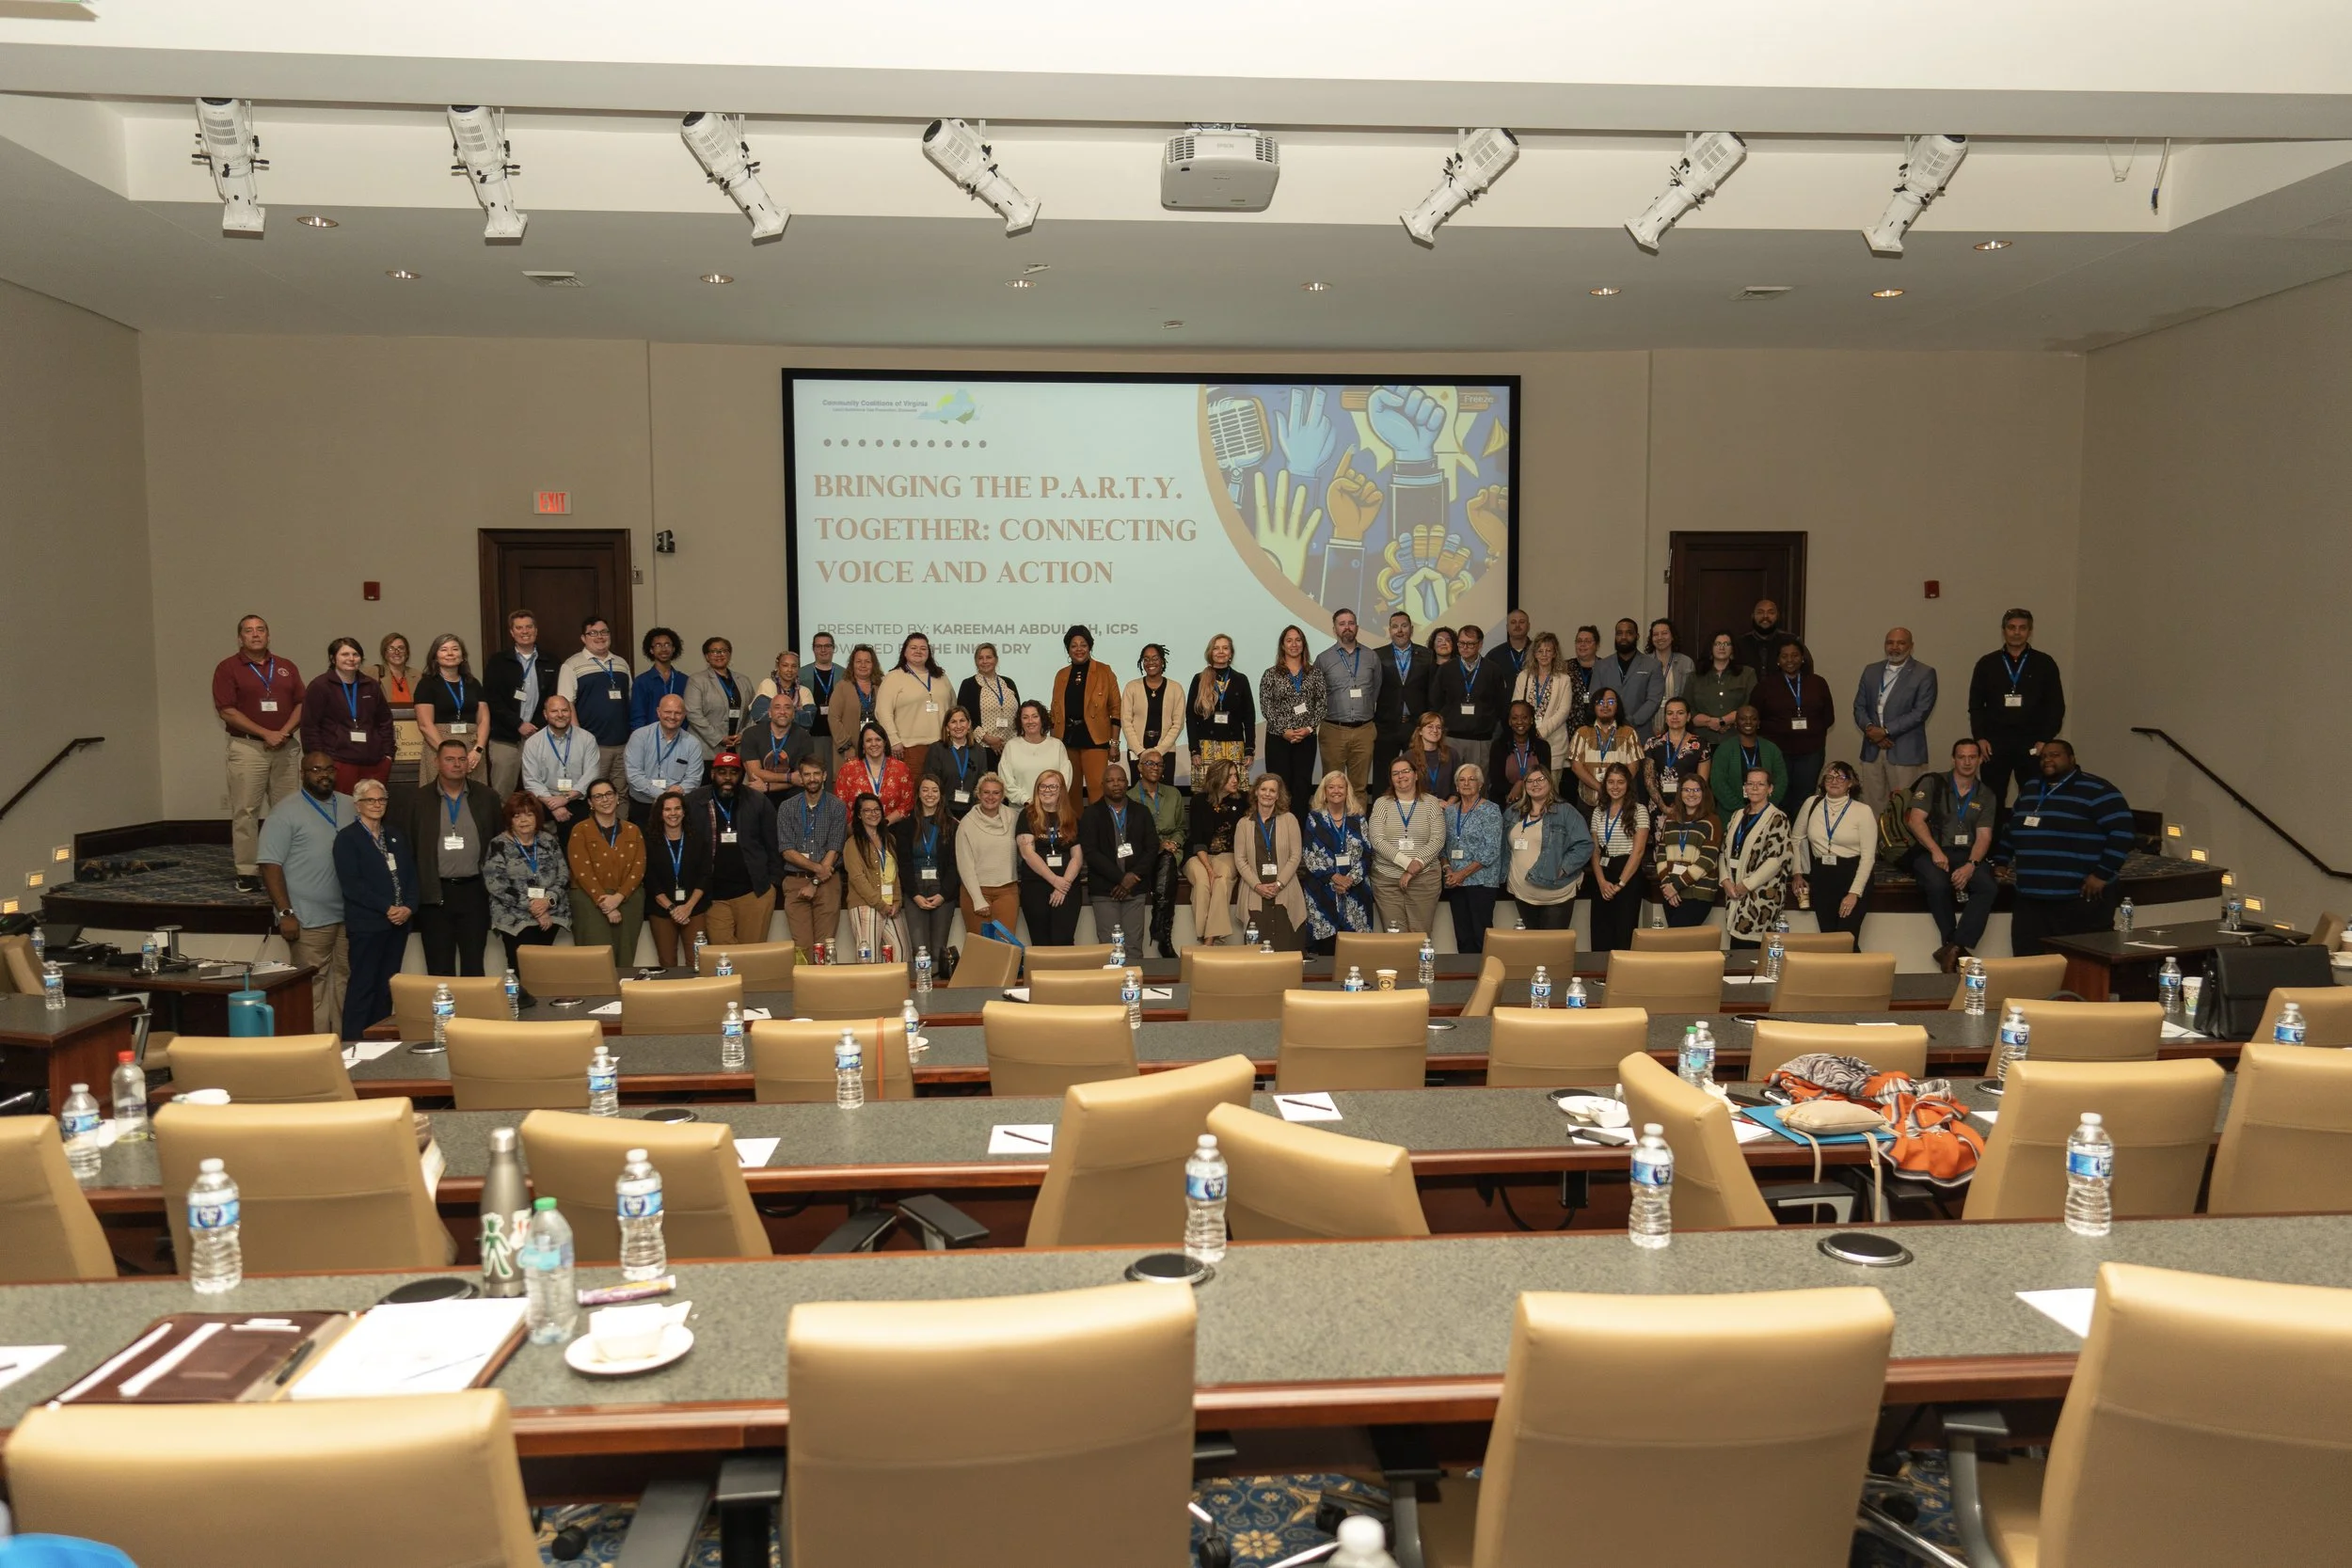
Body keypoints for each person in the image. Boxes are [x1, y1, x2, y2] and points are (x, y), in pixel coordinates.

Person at [2000, 739, 2133, 957]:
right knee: (2029, 967)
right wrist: (2001, 860)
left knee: (2082, 967)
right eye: (2044, 757)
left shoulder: (2099, 790)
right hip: (2031, 899)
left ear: (2072, 759)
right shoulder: (2031, 788)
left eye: (2055, 755)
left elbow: (2123, 833)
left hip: (2079, 898)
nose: (2048, 760)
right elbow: (2011, 827)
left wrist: (2102, 874)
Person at [257, 752, 355, 1030]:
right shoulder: (284, 812)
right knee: (313, 986)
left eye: (328, 769)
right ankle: (316, 1051)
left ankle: (346, 1047)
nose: (323, 775)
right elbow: (269, 866)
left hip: (349, 916)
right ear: (303, 774)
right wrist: (285, 912)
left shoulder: (351, 805)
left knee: (346, 981)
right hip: (307, 918)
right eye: (315, 770)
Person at [214, 613, 305, 892]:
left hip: (285, 748)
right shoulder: (228, 668)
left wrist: (284, 732)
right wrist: (266, 733)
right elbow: (227, 711)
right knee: (246, 811)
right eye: (249, 631)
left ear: (268, 635)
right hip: (248, 748)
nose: (255, 635)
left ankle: (287, 865)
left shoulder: (286, 666)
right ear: (240, 637)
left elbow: (302, 703)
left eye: (261, 630)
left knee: (288, 811)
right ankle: (248, 871)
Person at [403, 737, 501, 975]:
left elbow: (499, 844)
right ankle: (444, 1014)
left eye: (462, 759)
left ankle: (472, 1014)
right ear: (437, 762)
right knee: (439, 967)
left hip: (475, 892)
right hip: (435, 895)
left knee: (474, 966)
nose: (457, 764)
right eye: (450, 759)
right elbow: (409, 848)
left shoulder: (487, 797)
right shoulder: (418, 800)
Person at [332, 778, 417, 1040]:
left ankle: (378, 1042)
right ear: (358, 805)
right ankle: (352, 1044)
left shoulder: (395, 835)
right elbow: (352, 885)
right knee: (363, 987)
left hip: (397, 925)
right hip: (368, 925)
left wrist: (409, 908)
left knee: (386, 988)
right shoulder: (347, 839)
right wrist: (387, 907)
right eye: (370, 800)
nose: (377, 804)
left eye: (381, 799)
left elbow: (411, 875)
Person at [1907, 738, 1999, 971]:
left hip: (1967, 853)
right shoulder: (1932, 782)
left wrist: (1971, 865)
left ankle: (1953, 947)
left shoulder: (1986, 794)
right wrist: (1936, 851)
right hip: (1931, 849)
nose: (1967, 762)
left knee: (1987, 886)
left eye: (1972, 757)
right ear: (1953, 759)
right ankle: (1953, 945)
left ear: (1979, 759)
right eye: (1961, 757)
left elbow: (1984, 836)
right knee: (1938, 884)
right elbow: (1915, 820)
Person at [1967, 608, 2066, 807]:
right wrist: (1980, 737)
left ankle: (2030, 837)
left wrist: (2045, 740)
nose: (2017, 632)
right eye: (2012, 627)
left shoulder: (2044, 663)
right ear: (2004, 630)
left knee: (2033, 796)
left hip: (2032, 743)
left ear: (2030, 631)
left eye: (2022, 628)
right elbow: (1975, 705)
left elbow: (2056, 705)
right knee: (1991, 798)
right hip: (1995, 743)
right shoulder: (1987, 663)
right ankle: (1992, 839)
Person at [690, 752, 781, 945]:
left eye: (733, 772)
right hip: (714, 897)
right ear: (713, 774)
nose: (728, 778)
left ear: (741, 776)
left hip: (754, 893)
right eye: (722, 772)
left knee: (752, 957)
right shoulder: (695, 801)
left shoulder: (757, 801)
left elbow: (773, 843)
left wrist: (772, 883)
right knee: (723, 958)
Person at [483, 793, 570, 994]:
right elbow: (496, 883)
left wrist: (548, 901)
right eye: (517, 816)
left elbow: (563, 874)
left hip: (550, 915)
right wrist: (534, 907)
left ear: (537, 818)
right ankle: (521, 1014)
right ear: (510, 820)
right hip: (515, 918)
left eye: (529, 815)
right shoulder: (499, 844)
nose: (523, 820)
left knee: (544, 972)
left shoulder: (548, 840)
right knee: (521, 972)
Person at [1852, 626, 1938, 812]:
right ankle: (1875, 842)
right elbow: (1859, 706)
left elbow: (1920, 712)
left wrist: (1885, 731)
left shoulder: (1924, 673)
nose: (1894, 647)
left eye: (1901, 643)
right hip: (1872, 749)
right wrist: (1870, 730)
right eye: (1890, 642)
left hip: (1904, 751)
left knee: (1904, 807)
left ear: (1911, 646)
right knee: (1871, 807)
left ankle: (1900, 842)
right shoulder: (1871, 671)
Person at [565, 777, 646, 971]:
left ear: (617, 798)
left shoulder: (633, 830)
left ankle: (623, 998)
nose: (605, 800)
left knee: (625, 958)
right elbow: (581, 870)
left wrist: (618, 898)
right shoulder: (580, 830)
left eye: (609, 794)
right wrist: (607, 905)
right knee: (595, 961)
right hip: (589, 900)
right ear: (590, 803)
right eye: (598, 796)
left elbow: (639, 868)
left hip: (628, 898)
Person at [1792, 761, 1876, 941]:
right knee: (1829, 940)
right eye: (1829, 777)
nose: (1834, 781)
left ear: (1851, 783)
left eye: (1841, 777)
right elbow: (1796, 839)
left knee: (1846, 939)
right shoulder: (1811, 804)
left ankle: (1866, 969)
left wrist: (1854, 893)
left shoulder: (1863, 811)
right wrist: (1798, 872)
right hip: (1822, 875)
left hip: (1852, 874)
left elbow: (1868, 857)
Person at [301, 637, 395, 795]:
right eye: (345, 654)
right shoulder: (320, 686)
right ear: (333, 658)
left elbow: (385, 721)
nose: (351, 659)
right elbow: (310, 727)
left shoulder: (371, 685)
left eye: (355, 654)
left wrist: (388, 756)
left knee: (373, 808)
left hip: (374, 762)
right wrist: (321, 764)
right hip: (338, 762)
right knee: (343, 811)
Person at [1080, 759, 1157, 949]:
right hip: (1105, 891)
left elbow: (1152, 848)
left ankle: (1134, 980)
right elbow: (1091, 853)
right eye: (1110, 780)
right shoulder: (1091, 814)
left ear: (1127, 783)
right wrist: (1122, 878)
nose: (1116, 784)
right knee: (1109, 948)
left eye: (1120, 780)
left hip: (1136, 889)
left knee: (1133, 945)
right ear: (1102, 785)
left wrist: (1134, 877)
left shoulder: (1142, 812)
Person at [555, 615, 632, 799]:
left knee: (620, 793)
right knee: (595, 793)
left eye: (604, 632)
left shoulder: (621, 663)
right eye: (593, 633)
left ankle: (619, 827)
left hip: (623, 744)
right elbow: (566, 704)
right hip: (594, 744)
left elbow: (630, 698)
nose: (600, 637)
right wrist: (579, 740)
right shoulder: (571, 665)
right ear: (583, 638)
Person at [1506, 767, 1591, 932]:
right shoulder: (1513, 812)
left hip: (1556, 896)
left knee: (1552, 951)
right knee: (1531, 949)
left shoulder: (1566, 811)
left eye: (1540, 780)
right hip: (1522, 893)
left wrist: (1563, 869)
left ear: (1550, 783)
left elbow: (1584, 845)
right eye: (1530, 781)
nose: (1535, 784)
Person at [485, 610, 559, 800]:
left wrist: (535, 726)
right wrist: (518, 724)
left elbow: (553, 698)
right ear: (512, 632)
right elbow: (492, 699)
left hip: (539, 735)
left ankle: (544, 827)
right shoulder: (498, 662)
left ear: (536, 630)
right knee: (502, 791)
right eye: (519, 628)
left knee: (542, 790)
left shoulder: (551, 661)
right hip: (505, 738)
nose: (524, 631)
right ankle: (500, 828)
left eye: (529, 627)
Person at [778, 758, 849, 958]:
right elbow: (786, 850)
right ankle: (804, 988)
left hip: (827, 884)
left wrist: (815, 881)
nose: (812, 778)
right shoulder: (787, 807)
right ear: (800, 778)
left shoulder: (837, 806)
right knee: (801, 947)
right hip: (795, 881)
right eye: (807, 774)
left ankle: (824, 988)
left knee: (826, 946)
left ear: (824, 776)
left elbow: (834, 849)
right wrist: (818, 871)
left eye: (816, 773)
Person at [1299, 771, 1375, 955]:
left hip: (1356, 891)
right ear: (1324, 791)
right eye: (1331, 787)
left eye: (1340, 787)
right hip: (1323, 892)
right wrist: (1334, 878)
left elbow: (1367, 853)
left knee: (1356, 953)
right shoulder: (1314, 818)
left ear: (1347, 790)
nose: (1336, 791)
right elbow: (1309, 854)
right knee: (1327, 952)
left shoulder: (1358, 818)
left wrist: (1349, 880)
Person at [1754, 641, 1834, 810]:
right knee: (1778, 794)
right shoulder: (1765, 686)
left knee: (1804, 797)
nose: (1790, 660)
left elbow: (1828, 718)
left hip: (1810, 752)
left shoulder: (1818, 683)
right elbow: (1755, 719)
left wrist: (1812, 733)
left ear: (1803, 659)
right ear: (1778, 661)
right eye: (1784, 656)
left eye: (1795, 655)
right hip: (1777, 751)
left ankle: (1800, 834)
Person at [1719, 768, 1793, 949]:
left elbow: (1776, 861)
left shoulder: (1778, 818)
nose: (1754, 788)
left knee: (1752, 952)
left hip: (1761, 896)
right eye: (1750, 783)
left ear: (1770, 789)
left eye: (1760, 784)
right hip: (1734, 891)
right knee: (1736, 951)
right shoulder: (1737, 815)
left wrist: (1747, 885)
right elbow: (1724, 851)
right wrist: (1725, 880)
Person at [1259, 625, 1327, 821]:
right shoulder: (1270, 674)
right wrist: (1284, 731)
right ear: (1282, 645)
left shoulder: (1314, 674)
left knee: (1302, 787)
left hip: (1306, 739)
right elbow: (1266, 706)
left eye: (1298, 640)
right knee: (1279, 786)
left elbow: (1322, 704)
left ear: (1303, 644)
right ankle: (1278, 831)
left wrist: (1308, 729)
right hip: (1278, 739)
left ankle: (1298, 832)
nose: (1294, 644)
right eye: (1289, 640)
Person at [896, 775, 962, 974]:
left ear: (941, 795)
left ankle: (939, 995)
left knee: (937, 949)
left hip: (942, 888)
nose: (929, 794)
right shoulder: (906, 825)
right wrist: (914, 895)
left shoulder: (952, 825)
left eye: (934, 790)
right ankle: (921, 992)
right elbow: (904, 864)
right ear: (918, 793)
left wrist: (943, 894)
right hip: (915, 888)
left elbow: (954, 864)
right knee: (919, 948)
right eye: (925, 790)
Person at [1368, 755, 1440, 936]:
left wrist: (1416, 864)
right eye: (1395, 773)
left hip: (1424, 879)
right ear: (1391, 779)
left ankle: (1421, 966)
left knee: (1420, 934)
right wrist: (1407, 863)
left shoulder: (1431, 802)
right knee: (1394, 935)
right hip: (1387, 880)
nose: (1401, 776)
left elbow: (1438, 839)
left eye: (1405, 771)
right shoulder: (1382, 803)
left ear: (1416, 775)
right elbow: (1376, 839)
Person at [1049, 624, 1120, 805]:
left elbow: (1116, 709)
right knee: (1070, 791)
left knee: (1097, 789)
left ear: (1090, 646)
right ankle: (1073, 832)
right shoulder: (1061, 675)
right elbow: (1054, 712)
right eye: (1074, 645)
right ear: (1068, 649)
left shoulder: (1105, 671)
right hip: (1067, 741)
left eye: (1083, 644)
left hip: (1095, 740)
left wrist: (1114, 743)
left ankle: (1098, 832)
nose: (1078, 649)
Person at [1584, 762, 1651, 953]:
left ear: (1628, 784)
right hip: (1603, 876)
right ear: (1605, 785)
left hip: (1627, 875)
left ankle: (1622, 979)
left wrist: (1620, 884)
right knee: (1600, 932)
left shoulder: (1639, 811)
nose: (1615, 787)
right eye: (1611, 782)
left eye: (1620, 782)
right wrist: (1601, 882)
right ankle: (1598, 978)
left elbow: (1638, 852)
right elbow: (1595, 850)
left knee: (1624, 933)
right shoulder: (1599, 811)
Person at [1314, 610, 1381, 797]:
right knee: (1331, 785)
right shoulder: (1323, 659)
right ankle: (1331, 825)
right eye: (1342, 623)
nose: (1347, 627)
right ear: (1335, 628)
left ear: (1357, 627)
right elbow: (1317, 694)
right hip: (1333, 730)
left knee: (1359, 787)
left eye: (1351, 623)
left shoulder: (1371, 657)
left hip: (1364, 731)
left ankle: (1357, 825)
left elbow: (1376, 689)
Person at [1441, 764, 1505, 954]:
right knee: (1462, 937)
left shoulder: (1491, 810)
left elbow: (1491, 850)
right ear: (1456, 785)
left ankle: (1486, 977)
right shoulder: (1450, 812)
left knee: (1481, 936)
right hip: (1455, 883)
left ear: (1480, 784)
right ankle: (1465, 980)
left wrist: (1463, 873)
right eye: (1462, 780)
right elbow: (1443, 847)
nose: (1466, 783)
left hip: (1481, 882)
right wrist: (1449, 871)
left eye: (1471, 779)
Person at [1016, 769, 1085, 946]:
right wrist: (1055, 880)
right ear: (1037, 789)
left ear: (1061, 789)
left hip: (1067, 887)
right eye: (1043, 786)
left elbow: (1077, 856)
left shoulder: (1071, 817)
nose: (1047, 790)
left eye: (1053, 786)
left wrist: (1063, 886)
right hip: (1036, 887)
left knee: (1064, 940)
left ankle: (1065, 975)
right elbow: (1027, 853)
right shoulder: (1027, 816)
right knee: (1041, 942)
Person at [1235, 772, 1307, 939]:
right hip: (1255, 892)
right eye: (1263, 789)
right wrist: (1257, 886)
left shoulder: (1290, 820)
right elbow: (1240, 859)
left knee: (1287, 951)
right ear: (1256, 792)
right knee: (1257, 955)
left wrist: (1279, 884)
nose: (1267, 794)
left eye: (1272, 791)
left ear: (1278, 795)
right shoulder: (1243, 824)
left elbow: (1295, 855)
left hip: (1285, 890)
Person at [414, 633, 492, 786]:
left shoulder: (473, 683)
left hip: (472, 749)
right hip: (439, 746)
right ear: (435, 656)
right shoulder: (427, 684)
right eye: (444, 650)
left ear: (463, 656)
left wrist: (478, 749)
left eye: (455, 649)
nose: (450, 653)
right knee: (439, 798)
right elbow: (425, 724)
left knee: (475, 797)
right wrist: (448, 754)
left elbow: (484, 719)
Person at [1371, 610, 1438, 788]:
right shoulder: (1377, 655)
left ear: (1411, 629)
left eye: (1404, 626)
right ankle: (1381, 813)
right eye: (1395, 626)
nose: (1399, 631)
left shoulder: (1427, 655)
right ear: (1389, 630)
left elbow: (1431, 692)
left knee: (1418, 773)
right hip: (1386, 725)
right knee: (1383, 775)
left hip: (1415, 726)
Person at [644, 789, 709, 969]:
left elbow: (705, 875)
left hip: (693, 908)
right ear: (660, 813)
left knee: (697, 961)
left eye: (677, 809)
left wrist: (687, 907)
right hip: (661, 910)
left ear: (684, 811)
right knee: (667, 962)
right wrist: (673, 908)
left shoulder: (698, 839)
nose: (673, 813)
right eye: (667, 809)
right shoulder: (649, 841)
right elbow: (650, 879)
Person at [1433, 622, 1509, 775]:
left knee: (1478, 783)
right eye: (1461, 644)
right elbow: (1436, 701)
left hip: (1481, 739)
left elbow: (1501, 704)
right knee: (1450, 782)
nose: (1465, 648)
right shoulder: (1446, 669)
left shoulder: (1492, 670)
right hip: (1451, 738)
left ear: (1480, 644)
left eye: (1470, 644)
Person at [1184, 759, 1247, 944]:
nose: (1235, 780)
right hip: (1198, 853)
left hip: (1228, 853)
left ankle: (1209, 940)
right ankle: (1208, 936)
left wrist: (1214, 872)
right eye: (1230, 776)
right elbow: (1197, 839)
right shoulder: (1198, 801)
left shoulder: (1243, 800)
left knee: (1221, 880)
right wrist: (1209, 869)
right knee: (1203, 881)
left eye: (1236, 775)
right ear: (1217, 778)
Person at [1650, 773, 1722, 930]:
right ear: (1680, 793)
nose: (1691, 794)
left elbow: (1707, 861)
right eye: (1687, 790)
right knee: (1678, 945)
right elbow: (1661, 854)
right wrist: (1668, 884)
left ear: (1704, 793)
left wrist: (1676, 885)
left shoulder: (1712, 821)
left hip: (1698, 893)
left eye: (1696, 790)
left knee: (1677, 941)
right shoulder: (1670, 820)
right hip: (1670, 892)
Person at [953, 772, 1020, 941]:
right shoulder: (967, 823)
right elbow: (965, 865)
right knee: (981, 949)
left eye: (996, 793)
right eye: (986, 792)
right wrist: (978, 899)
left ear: (1003, 795)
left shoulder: (1015, 818)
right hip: (976, 892)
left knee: (1006, 947)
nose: (991, 797)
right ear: (978, 794)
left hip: (1007, 891)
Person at [520, 694, 598, 836]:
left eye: (565, 710)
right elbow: (531, 780)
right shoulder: (533, 743)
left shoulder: (587, 739)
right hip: (544, 800)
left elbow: (591, 775)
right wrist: (553, 804)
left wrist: (565, 798)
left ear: (571, 712)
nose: (560, 715)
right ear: (545, 714)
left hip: (577, 799)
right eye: (554, 711)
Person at [1134, 750, 1187, 959]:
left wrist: (1173, 842)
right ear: (1139, 767)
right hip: (1143, 850)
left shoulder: (1173, 794)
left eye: (1159, 764)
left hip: (1172, 850)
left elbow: (1181, 827)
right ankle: (1163, 935)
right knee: (1163, 859)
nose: (1155, 768)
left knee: (1167, 859)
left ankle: (1159, 923)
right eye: (1149, 763)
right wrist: (1158, 844)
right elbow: (1133, 833)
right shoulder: (1129, 796)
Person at [877, 631, 950, 782]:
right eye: (913, 648)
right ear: (904, 652)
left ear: (929, 653)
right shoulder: (894, 677)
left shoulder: (941, 677)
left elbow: (953, 709)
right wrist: (894, 740)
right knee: (912, 793)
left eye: (923, 648)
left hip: (942, 747)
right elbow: (882, 711)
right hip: (908, 749)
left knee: (939, 792)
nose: (918, 651)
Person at [626, 693, 707, 829]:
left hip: (677, 808)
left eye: (678, 713)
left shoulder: (692, 743)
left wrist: (676, 793)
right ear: (658, 712)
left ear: (684, 714)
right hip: (644, 805)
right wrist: (663, 794)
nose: (672, 717)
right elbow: (633, 775)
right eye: (668, 712)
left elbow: (694, 778)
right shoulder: (640, 736)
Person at [843, 793, 908, 960]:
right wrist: (879, 904)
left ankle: (894, 988)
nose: (873, 814)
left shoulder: (890, 839)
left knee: (901, 954)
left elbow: (895, 874)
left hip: (891, 906)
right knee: (869, 959)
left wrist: (897, 901)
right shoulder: (853, 843)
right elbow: (857, 878)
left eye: (877, 809)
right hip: (866, 905)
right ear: (859, 814)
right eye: (867, 810)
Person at [1188, 634, 1256, 779]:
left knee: (1234, 792)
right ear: (1210, 653)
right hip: (1206, 747)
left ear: (1231, 653)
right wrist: (1194, 750)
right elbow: (1191, 717)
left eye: (1225, 648)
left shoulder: (1241, 680)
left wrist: (1249, 749)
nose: (1221, 652)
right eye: (1216, 648)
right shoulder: (1199, 679)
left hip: (1235, 746)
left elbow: (1249, 717)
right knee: (1207, 793)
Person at [1510, 632, 1575, 782]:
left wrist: (1541, 732)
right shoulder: (1523, 676)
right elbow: (1515, 707)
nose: (1544, 655)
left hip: (1554, 744)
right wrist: (1530, 732)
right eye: (1540, 651)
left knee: (1551, 791)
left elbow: (1563, 711)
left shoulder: (1563, 679)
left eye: (1548, 651)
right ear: (1534, 654)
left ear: (1554, 653)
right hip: (1526, 742)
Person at [1121, 642, 1187, 784]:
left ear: (1162, 661)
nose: (1150, 662)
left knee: (1165, 793)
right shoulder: (1131, 687)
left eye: (1155, 658)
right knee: (1139, 794)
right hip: (1137, 751)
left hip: (1166, 751)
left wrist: (1158, 751)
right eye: (1146, 659)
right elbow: (1126, 721)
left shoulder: (1176, 688)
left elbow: (1178, 724)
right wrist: (1141, 751)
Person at [1566, 687, 1642, 810]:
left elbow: (1634, 766)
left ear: (1618, 706)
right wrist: (1601, 788)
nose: (1605, 706)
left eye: (1611, 702)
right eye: (1600, 702)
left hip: (1621, 801)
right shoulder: (1582, 733)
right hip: (1589, 801)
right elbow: (1576, 766)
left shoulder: (1629, 733)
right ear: (1593, 707)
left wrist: (1616, 788)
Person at [743, 685, 818, 802]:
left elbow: (800, 778)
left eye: (788, 708)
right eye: (777, 707)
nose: (782, 712)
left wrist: (768, 787)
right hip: (759, 794)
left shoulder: (804, 737)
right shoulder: (751, 734)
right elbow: (754, 774)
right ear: (769, 713)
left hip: (792, 797)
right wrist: (788, 777)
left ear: (794, 714)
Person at [1712, 705, 1788, 820]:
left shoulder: (1771, 749)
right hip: (1731, 815)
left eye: (1753, 719)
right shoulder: (1724, 749)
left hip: (1766, 815)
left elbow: (1781, 781)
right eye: (1743, 719)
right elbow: (1718, 783)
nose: (1748, 722)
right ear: (1736, 723)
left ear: (1758, 723)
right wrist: (1741, 809)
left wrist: (1764, 807)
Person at [994, 700, 1071, 810]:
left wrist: (1047, 800)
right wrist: (1027, 801)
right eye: (1025, 717)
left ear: (1042, 719)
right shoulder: (1011, 746)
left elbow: (1065, 779)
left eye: (1035, 716)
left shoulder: (1057, 746)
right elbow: (1006, 783)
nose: (1030, 721)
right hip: (1021, 811)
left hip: (1052, 810)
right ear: (1020, 721)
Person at [834, 721, 914, 825]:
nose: (873, 744)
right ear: (863, 745)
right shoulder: (848, 769)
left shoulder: (901, 769)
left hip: (892, 829)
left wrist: (884, 824)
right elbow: (840, 804)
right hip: (858, 831)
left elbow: (907, 803)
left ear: (885, 743)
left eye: (878, 739)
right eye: (868, 740)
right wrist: (860, 829)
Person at [1687, 631, 1754, 756]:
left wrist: (1723, 721)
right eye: (1717, 643)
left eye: (1726, 644)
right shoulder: (1695, 676)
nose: (1722, 647)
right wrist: (1711, 722)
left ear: (1733, 649)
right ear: (1710, 648)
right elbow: (1687, 709)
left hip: (1736, 738)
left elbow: (1751, 705)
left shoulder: (1747, 674)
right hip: (1702, 741)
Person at [955, 641, 1021, 765]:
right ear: (976, 662)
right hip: (982, 749)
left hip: (1010, 747)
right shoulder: (968, 685)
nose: (985, 661)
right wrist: (988, 739)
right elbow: (963, 718)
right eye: (980, 658)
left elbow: (1019, 714)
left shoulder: (1009, 683)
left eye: (989, 657)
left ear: (996, 660)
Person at [1642, 697, 1710, 812]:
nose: (1674, 717)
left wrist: (1687, 805)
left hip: (1691, 805)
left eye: (1680, 713)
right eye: (1670, 713)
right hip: (1659, 807)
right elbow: (1649, 780)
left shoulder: (1700, 744)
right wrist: (1664, 808)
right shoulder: (1652, 743)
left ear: (1688, 717)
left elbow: (1702, 782)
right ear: (1665, 718)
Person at [683, 636, 749, 754]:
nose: (719, 654)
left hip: (738, 747)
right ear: (707, 657)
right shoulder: (697, 680)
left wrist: (743, 734)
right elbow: (693, 714)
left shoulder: (743, 681)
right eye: (714, 651)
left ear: (729, 654)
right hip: (707, 749)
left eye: (723, 651)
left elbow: (752, 712)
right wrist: (719, 738)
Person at [921, 705, 987, 819]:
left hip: (972, 812)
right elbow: (930, 784)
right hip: (942, 811)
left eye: (962, 721)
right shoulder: (936, 750)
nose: (958, 726)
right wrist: (945, 813)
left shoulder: (979, 751)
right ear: (947, 727)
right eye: (953, 722)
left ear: (969, 724)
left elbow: (982, 784)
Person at [825, 642, 885, 767]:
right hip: (849, 751)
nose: (863, 665)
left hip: (878, 750)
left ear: (873, 664)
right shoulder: (842, 686)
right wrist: (846, 746)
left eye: (867, 662)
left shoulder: (882, 687)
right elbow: (833, 718)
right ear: (852, 664)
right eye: (859, 661)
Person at [1486, 701, 1552, 804]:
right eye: (1514, 718)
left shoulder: (1542, 747)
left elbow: (1545, 780)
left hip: (1536, 801)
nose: (1520, 722)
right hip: (1505, 803)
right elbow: (1496, 782)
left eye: (1524, 717)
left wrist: (1521, 785)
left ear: (1531, 720)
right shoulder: (1499, 746)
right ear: (1509, 721)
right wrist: (1515, 788)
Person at [629, 626, 689, 732]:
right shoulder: (641, 681)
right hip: (651, 739)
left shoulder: (684, 680)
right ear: (651, 650)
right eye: (658, 645)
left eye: (667, 644)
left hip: (680, 739)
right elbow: (637, 717)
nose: (664, 649)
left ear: (674, 648)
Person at [799, 631, 841, 766]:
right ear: (813, 649)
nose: (823, 650)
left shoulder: (845, 674)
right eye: (819, 646)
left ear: (834, 648)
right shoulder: (800, 674)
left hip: (837, 737)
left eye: (827, 646)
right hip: (810, 736)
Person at [745, 647, 809, 736]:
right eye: (785, 665)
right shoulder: (768, 684)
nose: (790, 670)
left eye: (794, 666)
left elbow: (808, 720)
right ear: (777, 666)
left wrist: (777, 713)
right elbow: (761, 716)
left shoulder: (804, 691)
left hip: (796, 740)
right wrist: (796, 711)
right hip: (767, 739)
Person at [1587, 619, 1645, 714]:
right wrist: (1612, 720)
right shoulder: (1601, 665)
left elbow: (1653, 700)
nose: (1623, 637)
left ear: (1637, 636)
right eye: (1619, 633)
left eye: (1629, 633)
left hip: (1640, 726)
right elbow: (1595, 697)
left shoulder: (1652, 665)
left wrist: (1632, 720)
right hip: (1607, 724)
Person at [1737, 598, 1802, 680]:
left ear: (1777, 616)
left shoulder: (1791, 640)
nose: (1765, 616)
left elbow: (1806, 670)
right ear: (1753, 616)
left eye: (1771, 612)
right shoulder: (1740, 644)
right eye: (1760, 612)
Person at [1402, 711, 1455, 802]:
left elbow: (1457, 787)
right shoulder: (1409, 757)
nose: (1435, 730)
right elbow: (1404, 789)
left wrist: (1449, 804)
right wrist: (1432, 805)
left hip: (1447, 807)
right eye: (1430, 726)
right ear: (1420, 731)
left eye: (1438, 727)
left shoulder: (1451, 754)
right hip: (1419, 806)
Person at [1564, 625, 1603, 735]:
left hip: (1598, 726)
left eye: (1587, 641)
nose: (1582, 644)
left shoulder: (1605, 667)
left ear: (1597, 645)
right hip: (1570, 728)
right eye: (1579, 641)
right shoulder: (1564, 668)